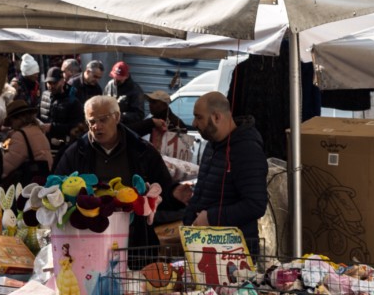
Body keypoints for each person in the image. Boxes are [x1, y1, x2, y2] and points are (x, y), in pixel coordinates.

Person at [55, 96, 191, 250]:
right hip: (88, 237)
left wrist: (175, 194)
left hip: (133, 237)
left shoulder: (142, 150)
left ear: (117, 117)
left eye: (103, 120)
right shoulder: (76, 152)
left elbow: (162, 189)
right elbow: (57, 188)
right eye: (91, 122)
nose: (97, 126)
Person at [183, 91, 268, 254]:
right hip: (205, 247)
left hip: (234, 253)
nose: (194, 123)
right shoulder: (212, 145)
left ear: (216, 117)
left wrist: (211, 218)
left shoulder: (247, 150)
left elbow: (255, 204)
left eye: (199, 117)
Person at [1, 99, 52, 186]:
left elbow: (7, 166)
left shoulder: (21, 135)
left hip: (29, 183)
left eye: (11, 122)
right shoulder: (38, 130)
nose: (11, 126)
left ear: (18, 118)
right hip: (44, 181)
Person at [38, 67, 85, 157]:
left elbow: (77, 126)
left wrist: (53, 127)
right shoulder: (45, 96)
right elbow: (39, 115)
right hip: (44, 145)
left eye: (54, 83)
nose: (51, 86)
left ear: (62, 81)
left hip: (65, 148)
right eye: (49, 83)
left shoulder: (73, 101)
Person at [104, 61, 145, 126]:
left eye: (119, 79)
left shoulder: (135, 90)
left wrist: (121, 116)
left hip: (126, 127)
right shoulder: (110, 85)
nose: (116, 80)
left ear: (126, 76)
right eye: (114, 77)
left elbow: (139, 115)